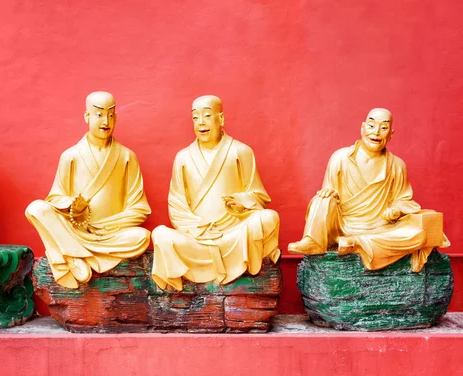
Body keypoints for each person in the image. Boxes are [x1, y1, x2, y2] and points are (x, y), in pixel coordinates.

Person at [288, 108, 449, 271]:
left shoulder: (397, 165)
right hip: (343, 225)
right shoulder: (341, 157)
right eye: (371, 126)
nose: (376, 132)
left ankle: (356, 243)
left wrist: (395, 210)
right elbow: (329, 191)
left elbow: (404, 199)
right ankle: (313, 240)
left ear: (391, 134)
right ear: (362, 128)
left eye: (383, 128)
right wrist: (329, 193)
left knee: (419, 235)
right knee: (321, 200)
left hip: (379, 228)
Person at [151, 95, 280, 291]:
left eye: (207, 115)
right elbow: (176, 204)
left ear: (221, 119)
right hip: (196, 236)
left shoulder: (241, 151)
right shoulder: (183, 157)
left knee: (269, 218)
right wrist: (196, 228)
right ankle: (202, 265)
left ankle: (224, 263)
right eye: (195, 117)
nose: (201, 122)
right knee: (160, 234)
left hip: (232, 232)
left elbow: (258, 196)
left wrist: (242, 203)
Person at [26, 92, 151, 288]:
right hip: (76, 230)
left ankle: (69, 253)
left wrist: (108, 225)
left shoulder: (127, 157)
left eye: (110, 115)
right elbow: (54, 198)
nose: (105, 121)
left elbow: (140, 208)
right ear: (87, 117)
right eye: (99, 114)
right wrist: (71, 205)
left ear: (116, 118)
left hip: (110, 234)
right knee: (36, 209)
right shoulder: (71, 156)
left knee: (142, 238)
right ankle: (74, 253)